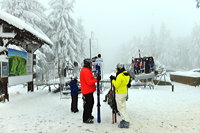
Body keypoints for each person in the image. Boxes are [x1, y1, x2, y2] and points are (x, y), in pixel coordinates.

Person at [80, 58, 101, 124]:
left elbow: (90, 78)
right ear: (88, 63)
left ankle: (89, 115)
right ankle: (86, 118)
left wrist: (95, 78)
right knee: (88, 105)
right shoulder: (85, 71)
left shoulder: (87, 70)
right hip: (87, 91)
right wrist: (96, 80)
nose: (91, 64)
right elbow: (89, 82)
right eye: (90, 63)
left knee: (91, 103)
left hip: (89, 90)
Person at [110, 63, 130, 128]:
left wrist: (113, 80)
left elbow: (116, 85)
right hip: (124, 92)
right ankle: (126, 119)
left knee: (120, 108)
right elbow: (121, 82)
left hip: (119, 93)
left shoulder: (120, 76)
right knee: (123, 107)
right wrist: (116, 78)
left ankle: (125, 121)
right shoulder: (126, 74)